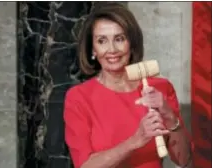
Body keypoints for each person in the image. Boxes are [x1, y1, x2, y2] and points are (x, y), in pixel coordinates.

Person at [63, 2, 192, 168]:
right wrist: (135, 141)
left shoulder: (160, 88)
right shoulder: (79, 97)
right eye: (102, 41)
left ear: (131, 44)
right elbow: (85, 166)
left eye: (119, 39)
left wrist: (169, 116)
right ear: (93, 50)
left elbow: (184, 160)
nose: (112, 49)